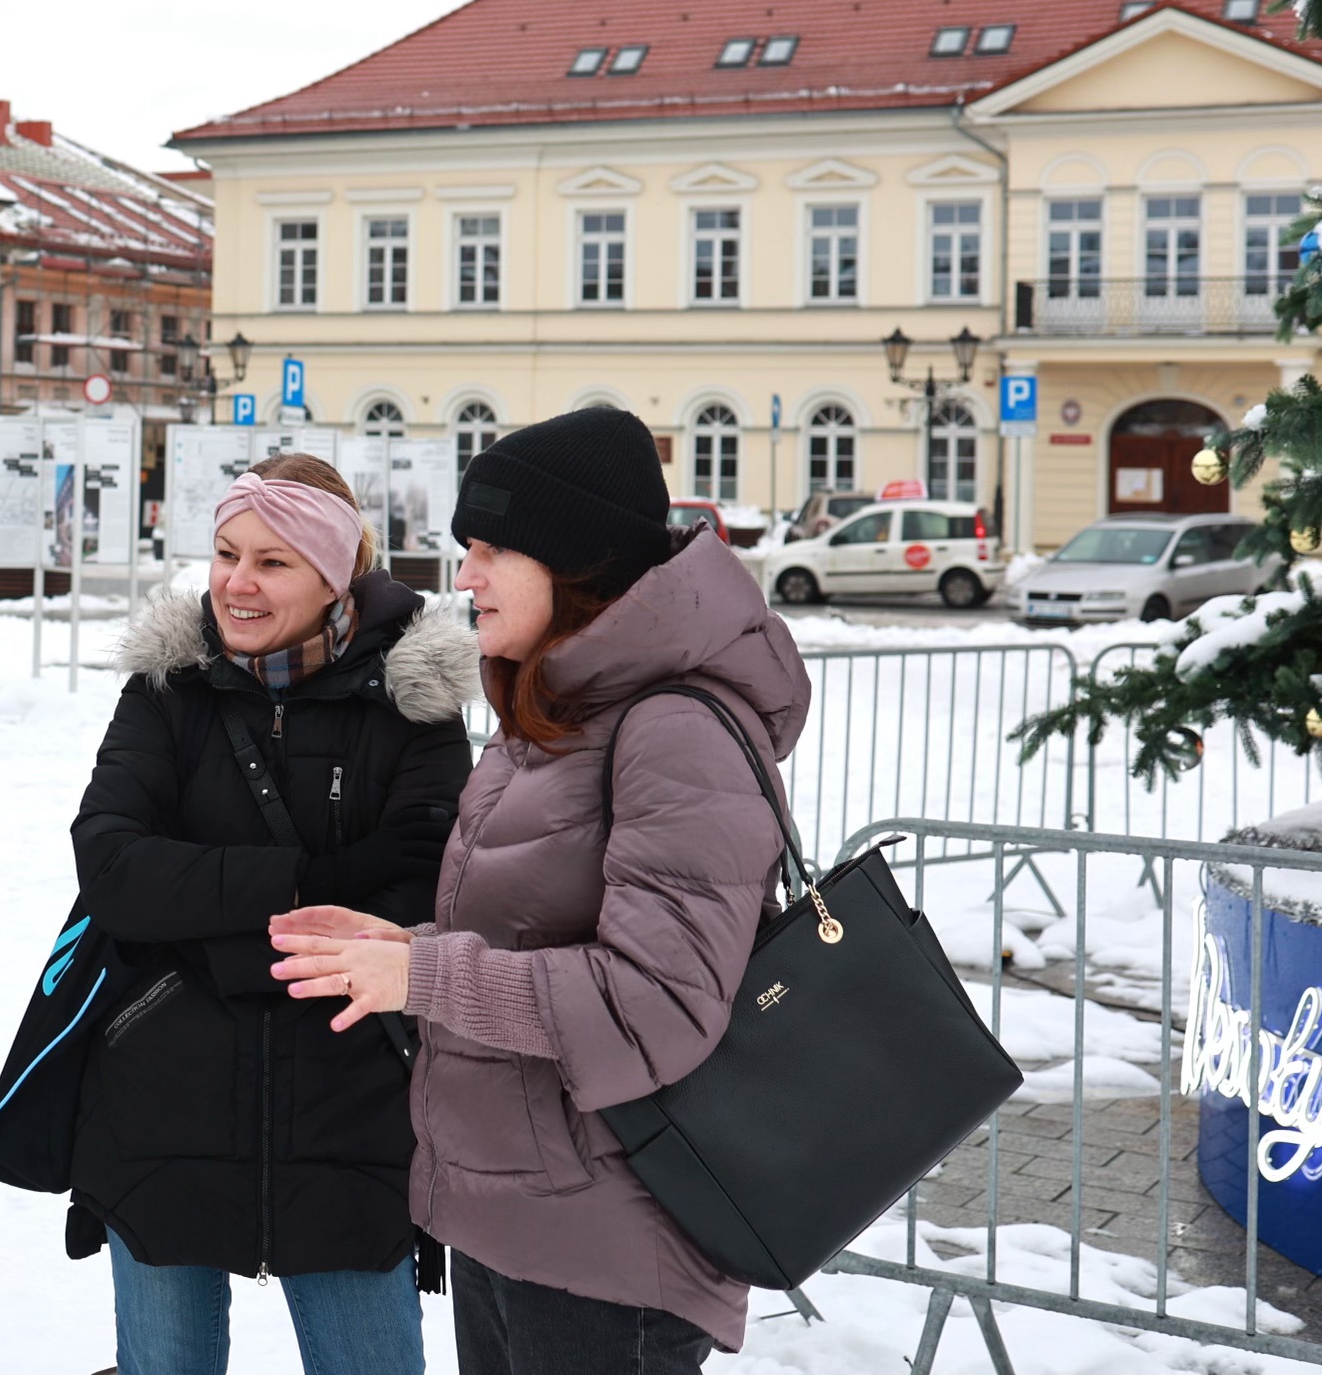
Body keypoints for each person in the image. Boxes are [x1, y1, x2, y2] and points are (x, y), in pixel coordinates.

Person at [272, 405, 811, 1371]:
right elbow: (533, 939)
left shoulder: (669, 729)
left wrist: (425, 981)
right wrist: (408, 952)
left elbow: (657, 1003)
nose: (463, 576)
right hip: (523, 1214)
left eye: (490, 549)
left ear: (574, 564)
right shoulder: (556, 709)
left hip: (611, 1248)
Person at [75, 454, 475, 1375]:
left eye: (272, 561)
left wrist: (203, 919)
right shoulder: (167, 688)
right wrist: (310, 885)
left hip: (349, 1107)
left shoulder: (412, 703)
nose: (236, 583)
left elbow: (419, 890)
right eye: (225, 553)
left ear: (336, 576)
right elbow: (111, 865)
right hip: (164, 1096)